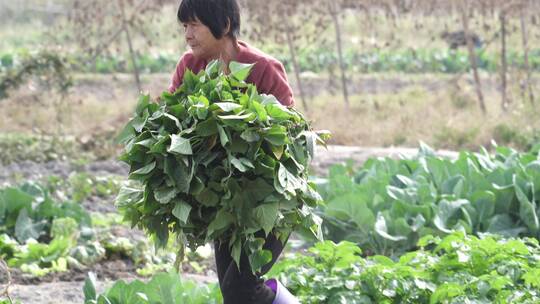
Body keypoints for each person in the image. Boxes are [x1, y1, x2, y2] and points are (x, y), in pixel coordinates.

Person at [168, 1, 298, 303]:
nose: (187, 34)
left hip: (271, 200)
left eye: (194, 25)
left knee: (240, 290)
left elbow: (291, 134)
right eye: (184, 26)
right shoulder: (189, 67)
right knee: (236, 293)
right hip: (227, 203)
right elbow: (171, 122)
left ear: (224, 25)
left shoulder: (263, 68)